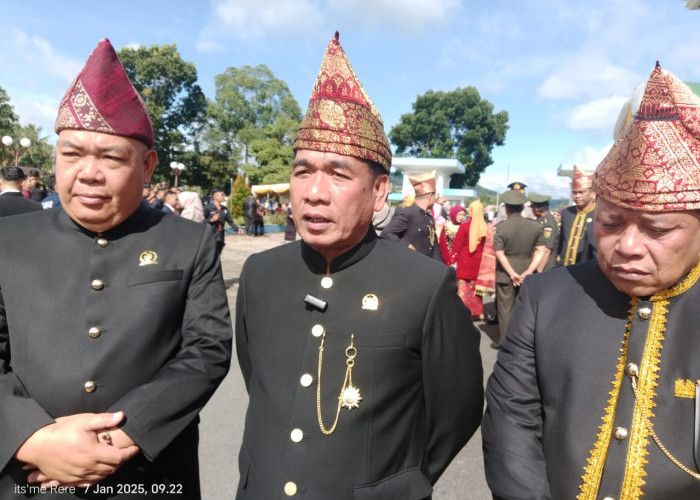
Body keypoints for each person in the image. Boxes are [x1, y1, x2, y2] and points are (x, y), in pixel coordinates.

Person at [235, 32, 483, 499]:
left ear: (377, 190)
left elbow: (458, 410)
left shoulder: (423, 286)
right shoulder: (261, 275)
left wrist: (396, 482)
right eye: (303, 171)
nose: (314, 192)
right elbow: (265, 388)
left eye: (338, 174)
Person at [0, 38, 232, 499]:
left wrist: (114, 441)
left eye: (110, 157)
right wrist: (33, 438)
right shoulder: (8, 240)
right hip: (30, 477)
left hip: (149, 475)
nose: (88, 172)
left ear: (146, 166)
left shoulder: (188, 242)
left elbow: (206, 351)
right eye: (72, 154)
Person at [482, 62, 700, 499]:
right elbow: (511, 424)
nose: (628, 246)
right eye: (610, 223)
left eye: (658, 231)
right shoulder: (549, 296)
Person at [492, 190, 545, 348]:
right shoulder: (535, 226)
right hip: (527, 270)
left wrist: (512, 273)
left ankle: (505, 341)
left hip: (506, 273)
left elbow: (499, 253)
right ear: (523, 208)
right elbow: (540, 250)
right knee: (523, 309)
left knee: (505, 309)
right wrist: (529, 271)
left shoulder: (501, 227)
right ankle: (522, 342)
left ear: (506, 209)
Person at [380, 170, 444, 262]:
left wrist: (440, 267)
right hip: (408, 266)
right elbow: (386, 233)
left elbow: (434, 246)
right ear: (430, 196)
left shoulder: (430, 218)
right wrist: (406, 245)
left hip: (427, 268)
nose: (435, 200)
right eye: (435, 197)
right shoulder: (407, 213)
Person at [450, 200, 488, 320]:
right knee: (477, 290)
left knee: (463, 288)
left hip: (465, 261)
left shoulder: (465, 226)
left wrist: (452, 260)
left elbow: (457, 245)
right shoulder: (486, 227)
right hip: (479, 262)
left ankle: (463, 312)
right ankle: (478, 312)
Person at [557, 165, 597, 266]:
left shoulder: (599, 214)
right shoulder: (567, 213)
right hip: (563, 267)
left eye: (581, 192)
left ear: (592, 194)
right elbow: (560, 242)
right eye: (574, 193)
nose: (577, 196)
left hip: (587, 268)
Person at [528, 193, 559, 272]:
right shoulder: (541, 220)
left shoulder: (549, 224)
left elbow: (546, 250)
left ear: (536, 209)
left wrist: (539, 270)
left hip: (545, 267)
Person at [204, 187, 240, 255]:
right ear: (215, 196)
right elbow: (201, 221)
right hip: (210, 236)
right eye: (222, 195)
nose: (224, 196)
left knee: (218, 255)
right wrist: (211, 220)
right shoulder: (207, 208)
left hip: (220, 237)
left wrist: (238, 229)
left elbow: (230, 222)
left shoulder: (225, 209)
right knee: (210, 255)